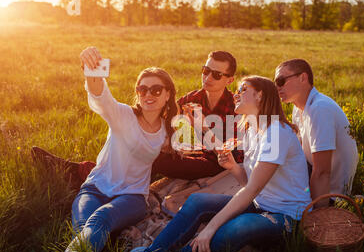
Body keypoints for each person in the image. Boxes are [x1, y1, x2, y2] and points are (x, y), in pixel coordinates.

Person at [110, 76, 312, 252]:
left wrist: (210, 228)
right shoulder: (252, 130)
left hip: (286, 217)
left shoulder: (276, 133)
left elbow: (251, 189)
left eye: (243, 90)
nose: (236, 95)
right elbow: (250, 184)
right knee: (197, 201)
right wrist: (233, 167)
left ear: (260, 95)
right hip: (261, 206)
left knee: (236, 228)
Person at [27, 47, 178, 252]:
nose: (149, 94)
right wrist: (92, 70)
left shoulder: (169, 131)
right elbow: (101, 96)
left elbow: (195, 146)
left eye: (156, 89)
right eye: (142, 89)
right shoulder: (123, 116)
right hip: (95, 189)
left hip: (132, 197)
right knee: (86, 232)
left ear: (168, 94)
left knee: (100, 219)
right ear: (137, 93)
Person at [31, 51, 242, 190]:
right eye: (205, 71)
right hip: (190, 156)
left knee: (154, 158)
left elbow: (238, 152)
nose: (207, 78)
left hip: (217, 164)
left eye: (216, 75)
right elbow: (175, 131)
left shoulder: (237, 107)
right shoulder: (189, 100)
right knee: (146, 146)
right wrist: (171, 141)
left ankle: (79, 172)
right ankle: (85, 171)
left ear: (230, 80)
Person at [274, 59, 358, 208]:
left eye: (281, 80)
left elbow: (322, 172)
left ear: (303, 78)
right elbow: (298, 155)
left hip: (331, 194)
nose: (277, 87)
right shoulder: (299, 108)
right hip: (315, 181)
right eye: (275, 83)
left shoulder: (320, 108)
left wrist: (317, 216)